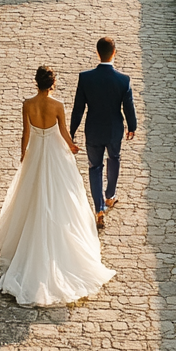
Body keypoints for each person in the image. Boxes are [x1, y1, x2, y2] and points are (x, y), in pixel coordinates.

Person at [0, 65, 115, 307]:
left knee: (31, 193)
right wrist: (72, 147)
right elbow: (62, 132)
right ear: (52, 83)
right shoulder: (57, 105)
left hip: (36, 152)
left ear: (36, 82)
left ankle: (23, 241)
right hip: (53, 153)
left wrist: (23, 154)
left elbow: (25, 133)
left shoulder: (27, 104)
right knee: (61, 195)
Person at [70, 36, 137, 229]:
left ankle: (98, 207)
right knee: (114, 158)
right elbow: (128, 107)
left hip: (93, 128)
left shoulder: (86, 78)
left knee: (94, 167)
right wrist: (132, 127)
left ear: (97, 52)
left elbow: (78, 108)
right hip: (114, 128)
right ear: (114, 53)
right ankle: (110, 196)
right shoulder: (123, 80)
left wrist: (72, 131)